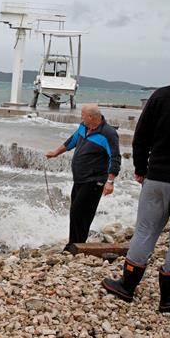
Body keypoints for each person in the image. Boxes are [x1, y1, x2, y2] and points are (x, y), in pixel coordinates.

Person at [102, 45, 170, 313]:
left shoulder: (161, 97)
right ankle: (168, 297)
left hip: (159, 177)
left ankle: (127, 286)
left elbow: (141, 136)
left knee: (145, 231)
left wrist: (141, 168)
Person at [46, 104, 121, 250]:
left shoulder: (108, 133)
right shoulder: (83, 127)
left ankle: (74, 246)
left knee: (79, 212)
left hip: (95, 180)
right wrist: (55, 153)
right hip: (80, 179)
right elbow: (71, 141)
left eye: (83, 115)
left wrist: (110, 181)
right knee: (77, 212)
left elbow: (115, 157)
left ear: (91, 117)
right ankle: (76, 244)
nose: (81, 117)